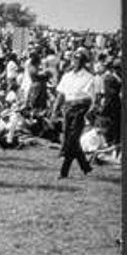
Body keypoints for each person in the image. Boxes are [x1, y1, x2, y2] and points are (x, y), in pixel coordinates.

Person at [51, 47, 95, 179]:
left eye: (79, 59)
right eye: (74, 58)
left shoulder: (89, 77)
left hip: (80, 110)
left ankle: (63, 172)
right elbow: (61, 94)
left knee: (72, 140)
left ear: (84, 62)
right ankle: (85, 167)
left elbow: (90, 98)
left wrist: (83, 108)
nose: (75, 61)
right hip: (67, 109)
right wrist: (55, 110)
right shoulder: (67, 76)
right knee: (70, 138)